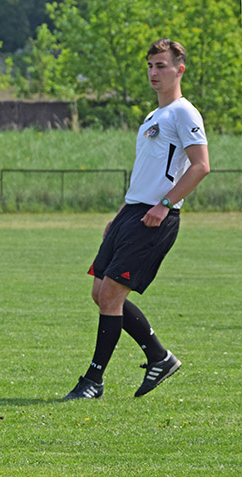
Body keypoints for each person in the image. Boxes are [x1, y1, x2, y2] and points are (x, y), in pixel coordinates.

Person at [64, 38, 210, 400]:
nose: (153, 72)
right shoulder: (153, 116)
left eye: (161, 65)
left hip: (156, 217)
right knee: (100, 293)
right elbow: (146, 172)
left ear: (180, 69)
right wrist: (119, 214)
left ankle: (93, 382)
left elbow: (201, 167)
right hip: (133, 212)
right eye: (150, 65)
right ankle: (160, 357)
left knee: (111, 295)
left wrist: (164, 204)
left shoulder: (184, 112)